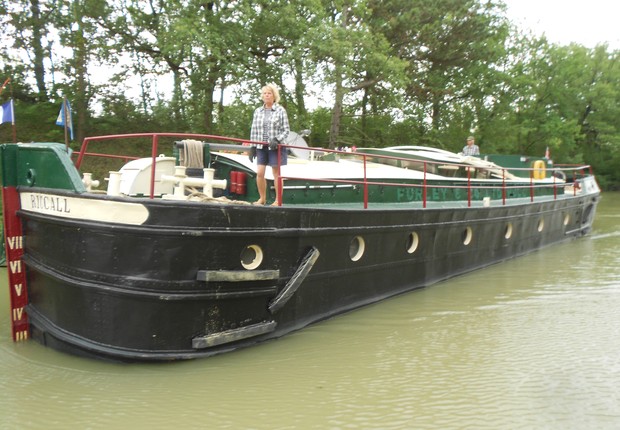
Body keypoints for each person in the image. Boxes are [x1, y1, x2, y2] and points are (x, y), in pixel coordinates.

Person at [248, 84, 290, 205]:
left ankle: (278, 200)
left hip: (275, 147)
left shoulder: (280, 110)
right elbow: (254, 129)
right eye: (265, 93)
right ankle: (262, 198)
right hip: (261, 146)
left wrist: (277, 139)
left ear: (274, 96)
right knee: (260, 172)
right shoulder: (257, 111)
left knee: (276, 173)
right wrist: (252, 146)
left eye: (269, 93)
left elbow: (286, 130)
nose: (267, 95)